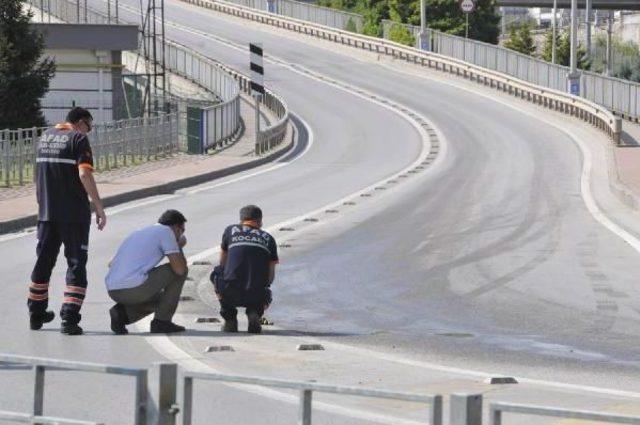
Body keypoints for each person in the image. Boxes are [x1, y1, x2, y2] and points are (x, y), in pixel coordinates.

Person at [28, 107, 106, 335]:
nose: (88, 132)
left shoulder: (46, 137)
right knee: (75, 264)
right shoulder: (78, 139)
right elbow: (84, 174)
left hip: (47, 214)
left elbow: (39, 174)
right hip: (74, 216)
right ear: (81, 122)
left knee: (43, 263)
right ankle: (69, 319)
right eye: (89, 127)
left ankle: (36, 313)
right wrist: (99, 206)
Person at [105, 209, 188, 335]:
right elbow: (179, 269)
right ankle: (162, 322)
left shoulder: (139, 232)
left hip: (113, 290)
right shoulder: (167, 232)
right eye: (182, 231)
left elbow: (111, 263)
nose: (181, 234)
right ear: (177, 227)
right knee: (180, 271)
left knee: (163, 299)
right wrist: (178, 245)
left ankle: (121, 314)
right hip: (132, 290)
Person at [213, 205, 278, 334]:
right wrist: (265, 288)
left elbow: (222, 262)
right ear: (259, 221)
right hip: (256, 293)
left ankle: (230, 317)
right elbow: (271, 274)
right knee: (264, 288)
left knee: (215, 274)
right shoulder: (269, 238)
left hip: (230, 291)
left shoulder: (230, 230)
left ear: (241, 220)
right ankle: (255, 312)